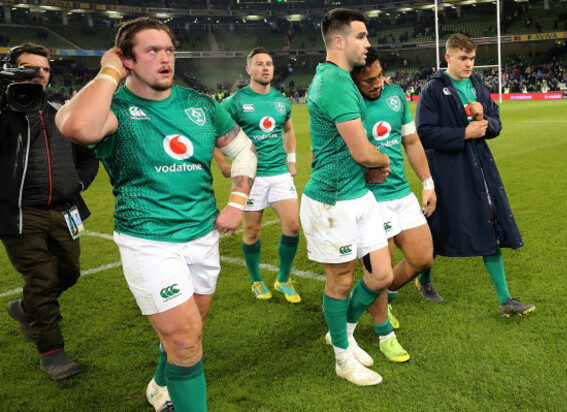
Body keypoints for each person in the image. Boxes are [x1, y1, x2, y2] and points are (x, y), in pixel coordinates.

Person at [55, 18, 256, 412]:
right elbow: (77, 126)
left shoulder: (199, 105)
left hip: (202, 236)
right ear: (127, 59)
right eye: (152, 51)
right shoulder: (114, 109)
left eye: (169, 50)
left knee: (192, 330)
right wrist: (109, 72)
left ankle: (160, 385)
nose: (165, 59)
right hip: (148, 239)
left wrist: (237, 201)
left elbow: (244, 151)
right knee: (185, 343)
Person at [300, 8, 395, 386]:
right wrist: (384, 158)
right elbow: (362, 152)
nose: (367, 43)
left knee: (382, 275)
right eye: (361, 36)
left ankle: (343, 331)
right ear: (338, 41)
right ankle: (342, 357)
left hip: (358, 195)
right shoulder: (336, 83)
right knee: (340, 282)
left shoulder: (338, 79)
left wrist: (374, 162)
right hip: (332, 201)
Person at [415, 33, 535, 317]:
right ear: (448, 57)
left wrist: (484, 120)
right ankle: (424, 280)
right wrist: (463, 133)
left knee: (489, 222)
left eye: (471, 59)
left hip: (480, 167)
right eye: (463, 58)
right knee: (436, 227)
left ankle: (505, 300)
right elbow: (424, 133)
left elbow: (496, 123)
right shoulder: (433, 89)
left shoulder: (478, 85)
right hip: (447, 171)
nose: (469, 64)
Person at [1, 43, 98, 380]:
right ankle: (52, 354)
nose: (39, 74)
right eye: (29, 68)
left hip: (65, 210)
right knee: (41, 279)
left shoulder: (63, 112)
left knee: (69, 272)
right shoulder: (4, 112)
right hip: (21, 214)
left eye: (44, 69)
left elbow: (88, 156)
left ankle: (26, 310)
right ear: (12, 70)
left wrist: (79, 185)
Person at [349, 47, 440, 344]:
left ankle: (375, 297)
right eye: (368, 81)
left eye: (378, 77)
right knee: (381, 272)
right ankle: (371, 322)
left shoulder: (395, 95)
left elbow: (411, 141)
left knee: (422, 257)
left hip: (401, 193)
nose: (376, 84)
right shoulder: (347, 106)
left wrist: (427, 183)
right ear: (353, 81)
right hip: (370, 198)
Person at [220, 48, 301, 303]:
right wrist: (223, 163)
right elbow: (214, 130)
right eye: (259, 64)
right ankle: (256, 280)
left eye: (269, 64)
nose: (265, 68)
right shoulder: (234, 101)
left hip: (279, 173)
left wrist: (291, 160)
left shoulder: (281, 100)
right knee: (252, 233)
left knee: (293, 226)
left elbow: (288, 130)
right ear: (249, 70)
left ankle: (283, 279)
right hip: (250, 176)